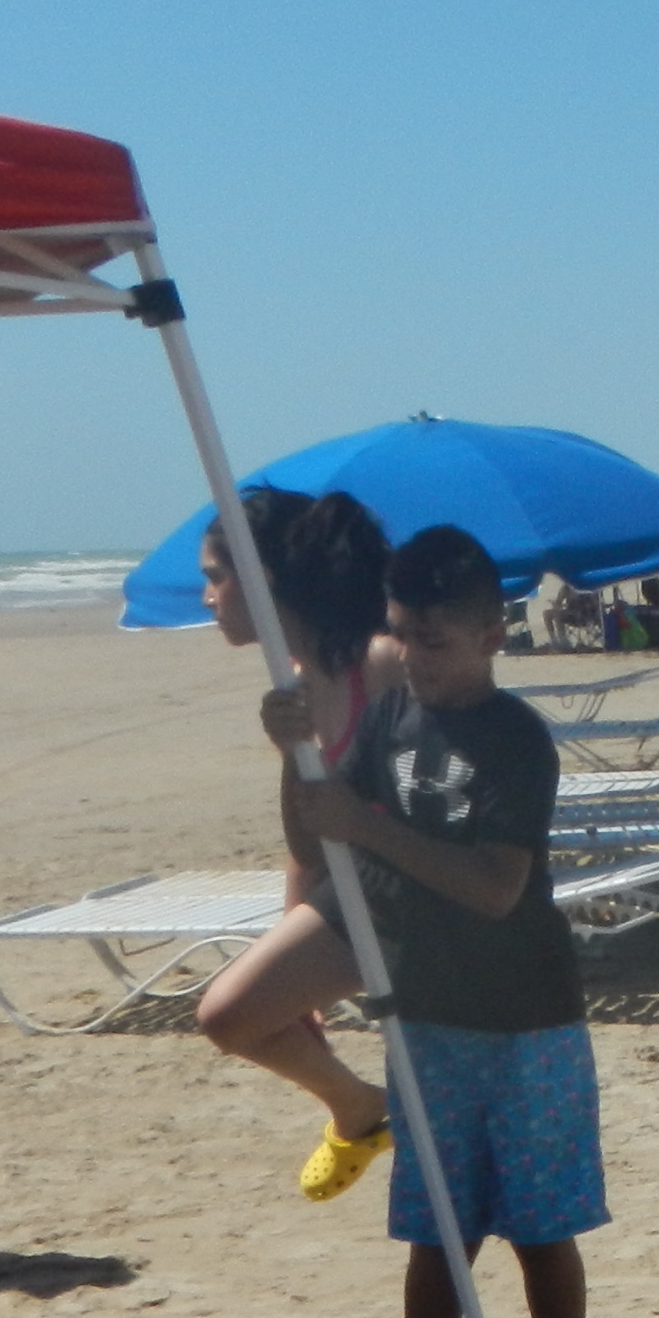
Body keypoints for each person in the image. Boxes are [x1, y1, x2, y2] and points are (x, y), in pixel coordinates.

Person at [265, 522, 601, 1318]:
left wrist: (371, 827)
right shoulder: (386, 722)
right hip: (425, 1016)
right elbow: (319, 839)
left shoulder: (513, 741)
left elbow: (496, 884)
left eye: (436, 643)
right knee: (437, 1231)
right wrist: (296, 759)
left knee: (542, 1228)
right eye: (402, 637)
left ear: (495, 635)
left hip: (526, 1014)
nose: (414, 661)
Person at [187, 488, 404, 1199]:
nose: (207, 596)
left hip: (406, 890)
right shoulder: (307, 683)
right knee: (234, 1014)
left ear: (264, 581)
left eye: (217, 577)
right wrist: (291, 748)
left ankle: (358, 1108)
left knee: (226, 1012)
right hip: (350, 892)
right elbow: (306, 838)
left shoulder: (380, 665)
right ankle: (356, 1106)